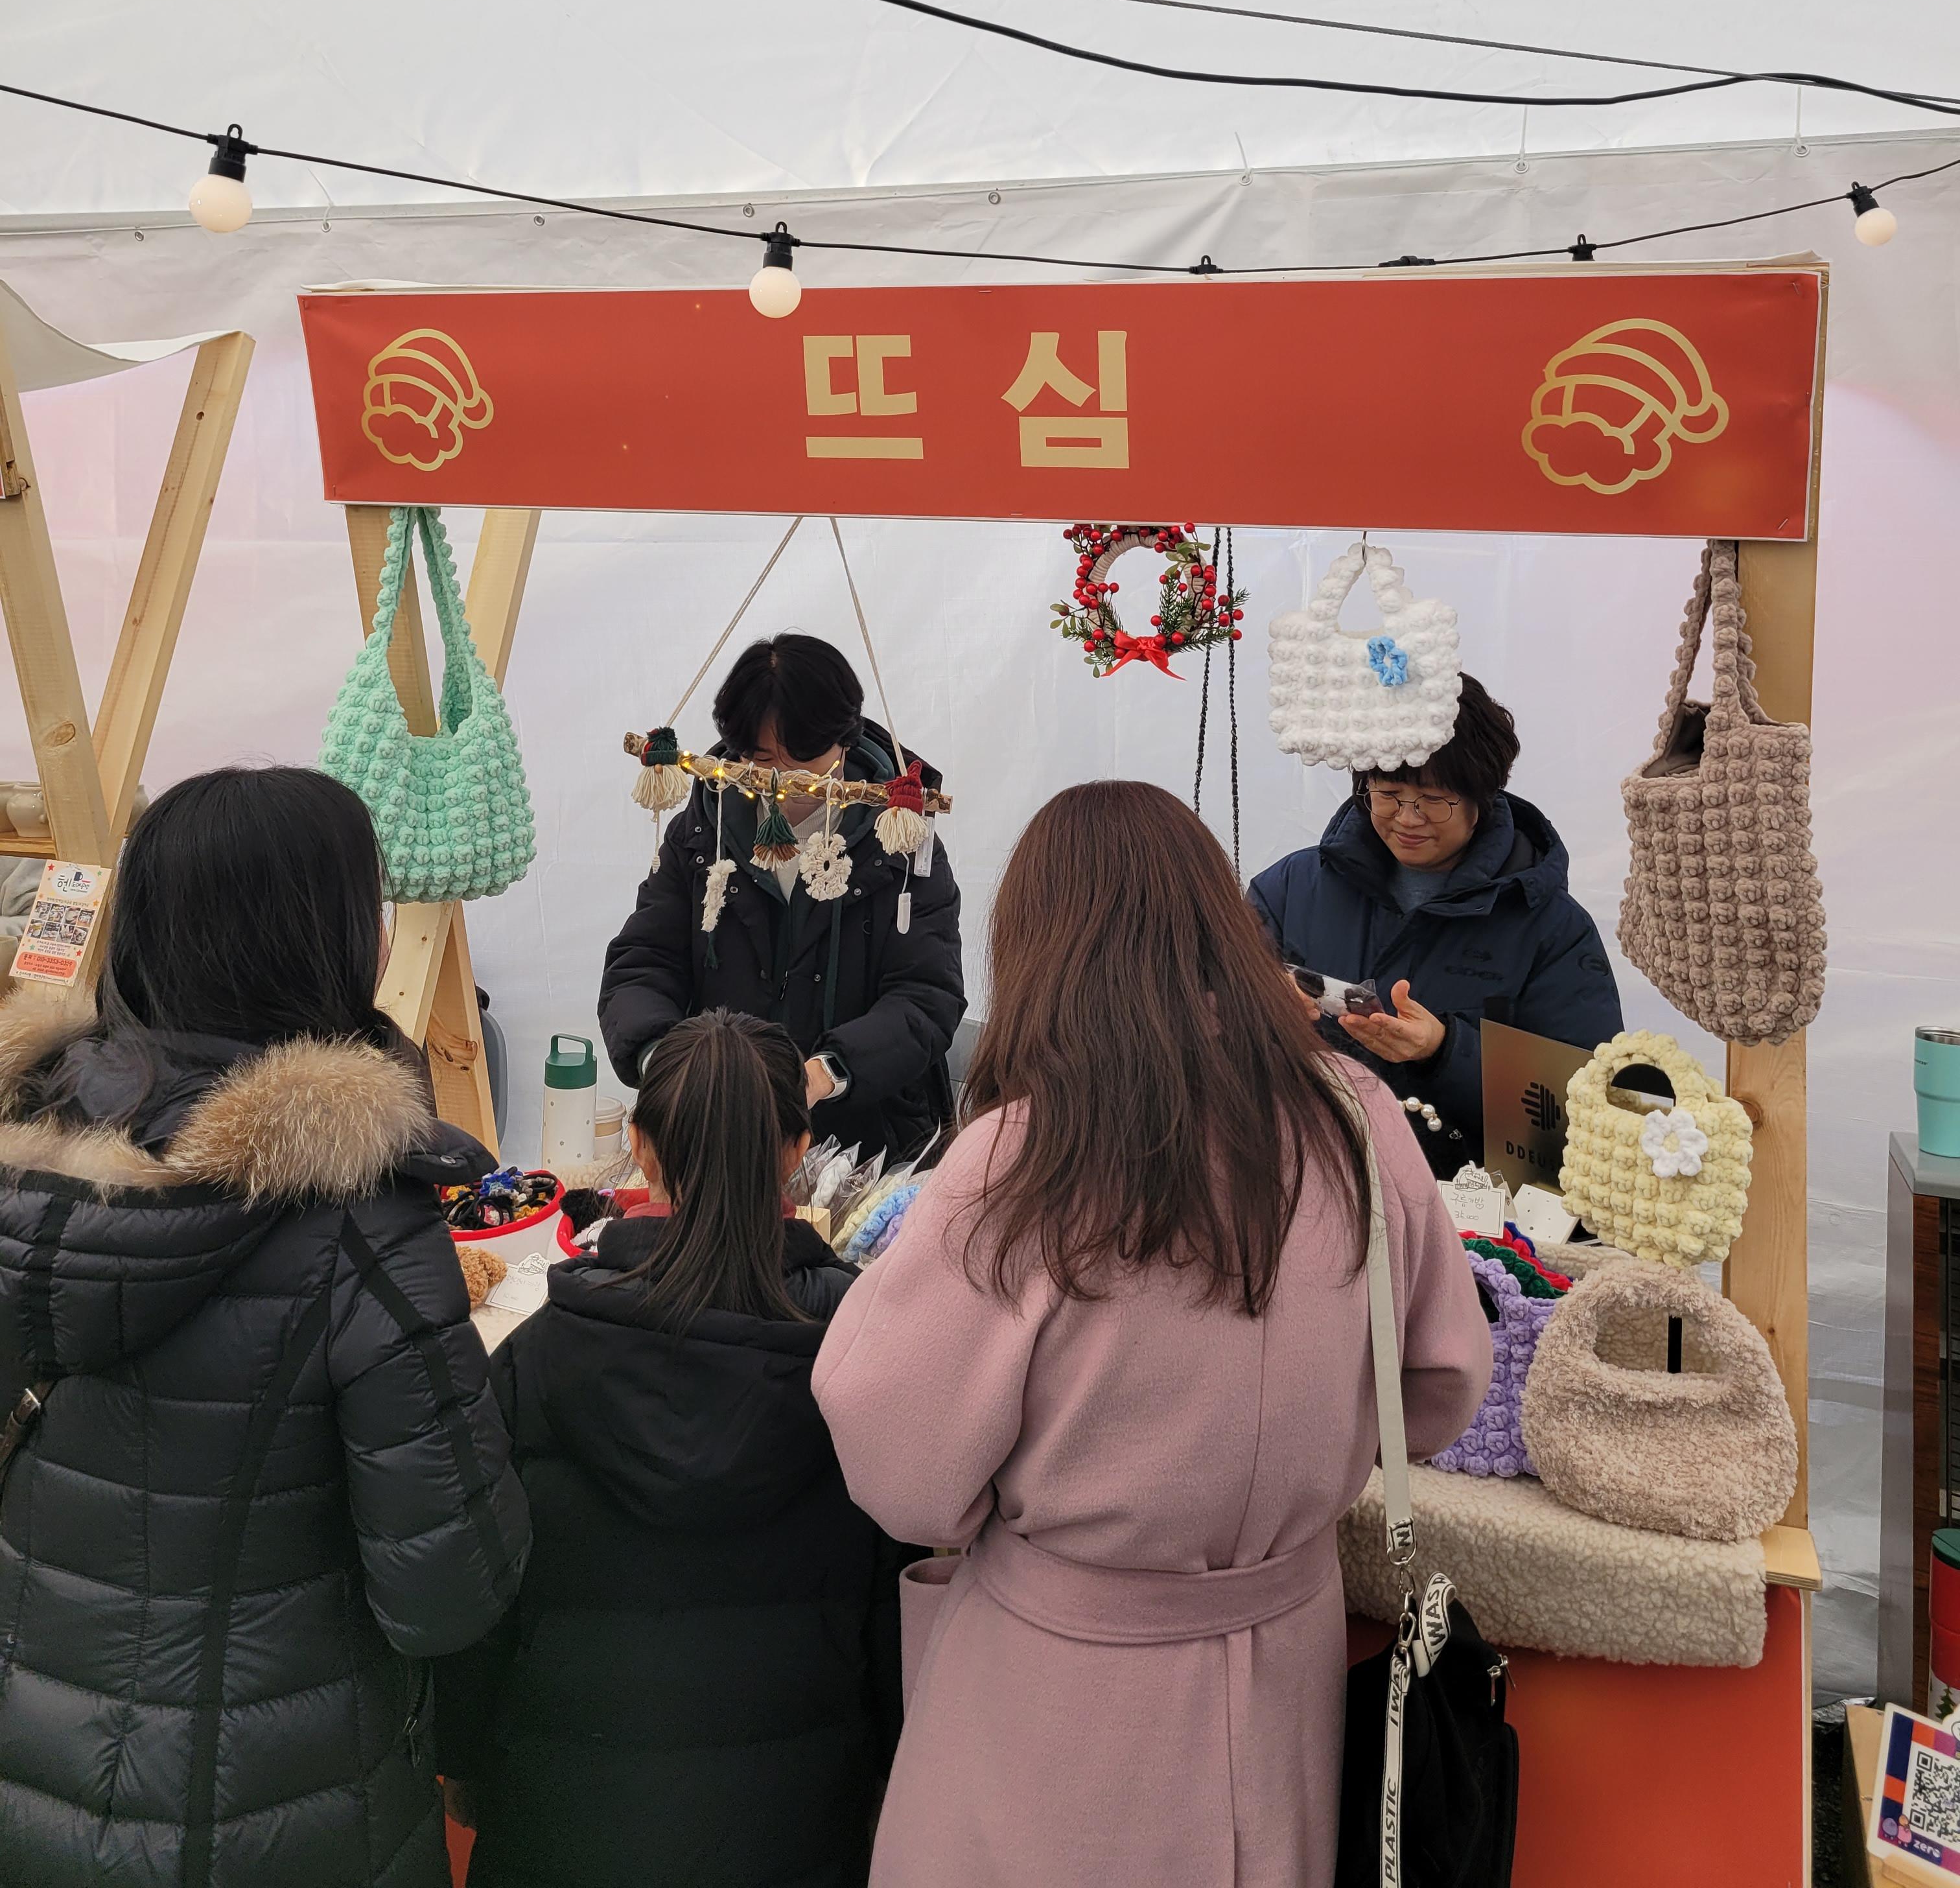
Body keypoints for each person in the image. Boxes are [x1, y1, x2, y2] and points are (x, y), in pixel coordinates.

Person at [812, 781, 1489, 1888]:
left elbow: (902, 1464)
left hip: (1060, 1689)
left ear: (1040, 948)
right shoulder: (1354, 1115)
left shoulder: (1024, 1152)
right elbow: (1442, 1378)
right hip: (1285, 1664)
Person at [0, 765, 528, 1888]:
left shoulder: (24, 1166)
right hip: (276, 1809)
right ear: (321, 936)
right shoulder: (362, 1224)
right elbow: (447, 1590)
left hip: (28, 1773)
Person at [441, 1008, 905, 1888]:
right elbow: (894, 1612)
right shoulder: (861, 1358)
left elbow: (480, 1598)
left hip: (565, 1819)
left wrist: (461, 1759)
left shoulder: (536, 1358)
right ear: (798, 1148)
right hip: (795, 1821)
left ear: (641, 1149)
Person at [600, 633, 963, 1164]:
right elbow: (643, 963)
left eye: (805, 758)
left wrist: (824, 1074)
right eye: (763, 758)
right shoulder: (702, 831)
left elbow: (926, 996)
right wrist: (669, 1064)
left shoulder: (901, 844)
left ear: (844, 739)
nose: (783, 780)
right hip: (717, 1131)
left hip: (869, 1145)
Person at [1249, 675, 1621, 1172]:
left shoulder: (1550, 927)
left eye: (1434, 798)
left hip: (1470, 1204)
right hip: (1309, 1179)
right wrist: (1258, 1002)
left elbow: (1590, 1109)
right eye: (1389, 793)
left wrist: (1445, 1051)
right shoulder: (1290, 889)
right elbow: (1200, 1017)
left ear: (1482, 797)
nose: (1408, 818)